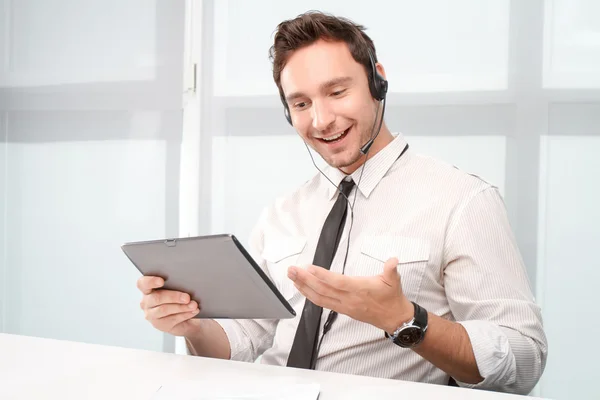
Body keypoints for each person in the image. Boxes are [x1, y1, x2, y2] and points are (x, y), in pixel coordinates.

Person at [137, 11, 547, 395]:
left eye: (336, 91)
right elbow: (245, 338)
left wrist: (406, 320)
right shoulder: (282, 213)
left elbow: (525, 359)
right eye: (301, 104)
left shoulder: (462, 200)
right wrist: (191, 325)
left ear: (377, 82)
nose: (321, 120)